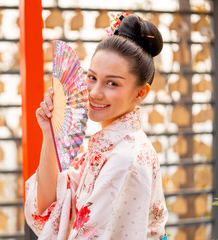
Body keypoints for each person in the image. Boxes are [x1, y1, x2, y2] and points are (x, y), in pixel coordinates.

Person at [24, 13, 168, 240]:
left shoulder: (125, 157)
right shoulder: (106, 145)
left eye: (112, 83)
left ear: (140, 93)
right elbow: (49, 206)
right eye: (91, 77)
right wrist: (50, 134)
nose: (95, 92)